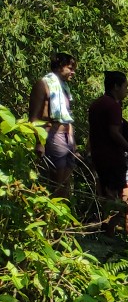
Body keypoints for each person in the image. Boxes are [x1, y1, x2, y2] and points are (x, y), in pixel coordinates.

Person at [86, 69, 128, 242]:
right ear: (115, 87)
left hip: (99, 158)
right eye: (125, 87)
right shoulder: (113, 106)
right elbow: (114, 132)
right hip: (112, 159)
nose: (127, 91)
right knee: (116, 201)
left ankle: (107, 234)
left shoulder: (96, 105)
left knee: (107, 199)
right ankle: (108, 235)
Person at [27, 51, 77, 196]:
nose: (72, 72)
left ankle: (62, 215)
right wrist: (39, 142)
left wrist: (73, 143)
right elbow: (34, 118)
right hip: (53, 136)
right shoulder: (43, 84)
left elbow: (67, 116)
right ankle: (52, 216)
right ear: (59, 66)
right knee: (56, 181)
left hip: (67, 137)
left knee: (66, 182)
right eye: (70, 68)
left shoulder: (64, 88)